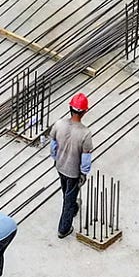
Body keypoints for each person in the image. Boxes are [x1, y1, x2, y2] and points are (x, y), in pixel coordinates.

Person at [48, 93, 96, 239]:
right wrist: (83, 173)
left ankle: (74, 207)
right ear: (85, 111)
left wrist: (56, 159)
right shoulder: (85, 133)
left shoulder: (58, 124)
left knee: (67, 192)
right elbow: (86, 158)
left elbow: (53, 146)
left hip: (60, 167)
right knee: (68, 199)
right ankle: (64, 229)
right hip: (73, 172)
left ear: (70, 108)